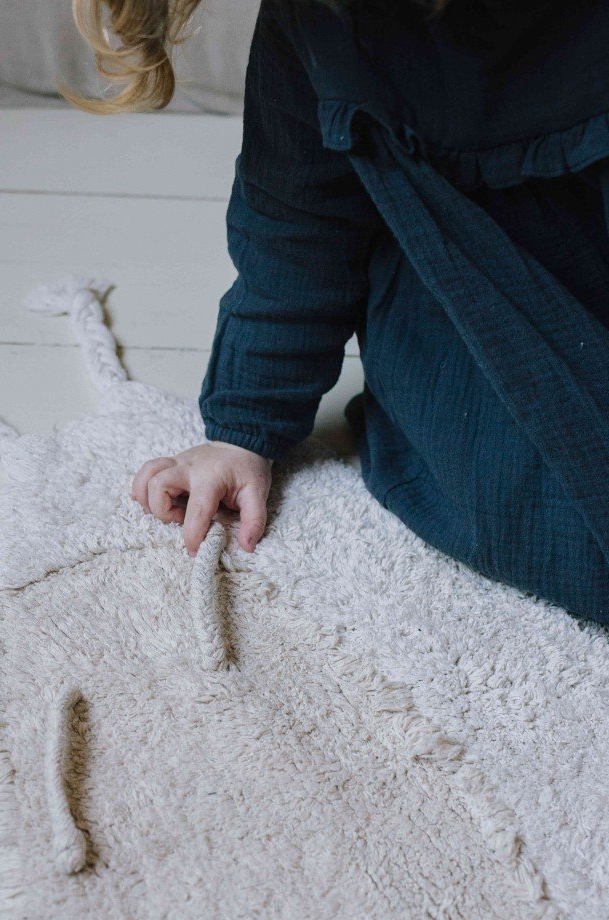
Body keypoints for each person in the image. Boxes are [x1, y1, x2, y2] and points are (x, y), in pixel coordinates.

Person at [68, 0, 609, 625]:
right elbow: (297, 236)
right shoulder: (322, 21)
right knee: (552, 519)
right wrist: (243, 429)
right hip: (463, 289)